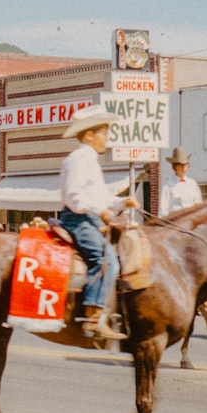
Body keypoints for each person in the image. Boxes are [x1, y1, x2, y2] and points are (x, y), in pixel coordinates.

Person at [58, 105, 135, 341]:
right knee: (104, 259)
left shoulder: (89, 159)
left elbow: (99, 199)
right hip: (77, 219)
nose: (107, 139)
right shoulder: (79, 159)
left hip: (88, 216)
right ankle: (93, 317)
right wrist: (101, 211)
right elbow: (74, 197)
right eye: (103, 133)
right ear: (89, 135)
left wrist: (122, 202)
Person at [159, 147, 203, 216]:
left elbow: (198, 202)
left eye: (185, 165)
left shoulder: (193, 184)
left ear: (188, 166)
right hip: (175, 221)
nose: (183, 168)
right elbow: (163, 208)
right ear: (175, 167)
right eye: (180, 165)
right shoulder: (168, 185)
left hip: (190, 219)